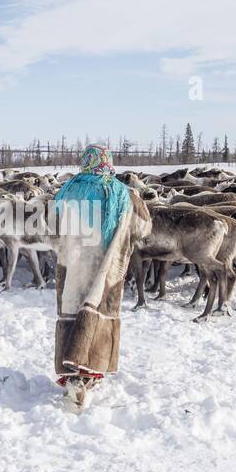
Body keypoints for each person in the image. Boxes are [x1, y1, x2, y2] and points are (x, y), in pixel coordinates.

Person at [52, 145, 150, 411]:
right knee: (98, 313)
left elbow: (53, 228)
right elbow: (144, 227)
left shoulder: (68, 190)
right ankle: (88, 373)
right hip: (107, 269)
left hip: (72, 268)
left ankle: (72, 374)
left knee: (72, 312)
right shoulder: (123, 193)